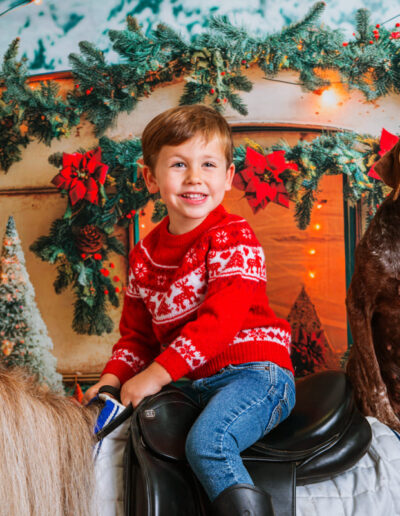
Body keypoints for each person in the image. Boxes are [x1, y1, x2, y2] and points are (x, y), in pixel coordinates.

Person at [83, 104, 295, 516]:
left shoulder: (233, 237)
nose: (195, 178)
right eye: (179, 164)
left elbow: (219, 325)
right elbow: (137, 338)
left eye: (209, 164)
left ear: (228, 177)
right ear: (150, 177)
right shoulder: (144, 256)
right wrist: (109, 383)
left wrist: (153, 377)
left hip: (255, 374)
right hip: (191, 382)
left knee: (209, 443)